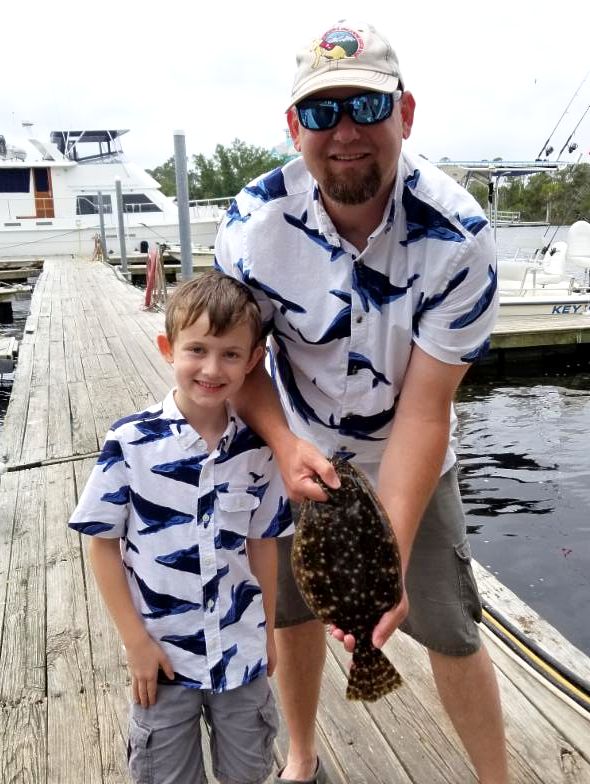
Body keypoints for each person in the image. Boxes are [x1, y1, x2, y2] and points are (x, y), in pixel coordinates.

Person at [214, 20, 508, 784]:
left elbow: (425, 410)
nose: (345, 132)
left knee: (452, 629)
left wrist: (389, 557)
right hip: (296, 447)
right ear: (294, 127)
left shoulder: (460, 237)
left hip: (412, 456)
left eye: (367, 107)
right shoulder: (252, 227)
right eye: (322, 112)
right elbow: (240, 364)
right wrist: (284, 444)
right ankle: (302, 758)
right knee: (293, 612)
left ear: (404, 113)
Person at [68, 271, 293, 784]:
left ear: (253, 360)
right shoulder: (129, 441)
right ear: (167, 348)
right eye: (197, 350)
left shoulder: (259, 451)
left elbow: (262, 546)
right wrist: (135, 643)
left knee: (249, 771)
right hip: (163, 657)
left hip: (240, 650)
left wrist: (267, 632)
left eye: (231, 354)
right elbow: (102, 546)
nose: (212, 369)